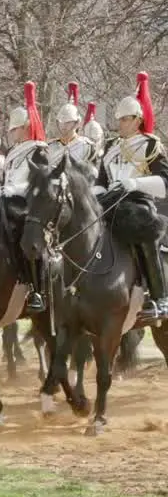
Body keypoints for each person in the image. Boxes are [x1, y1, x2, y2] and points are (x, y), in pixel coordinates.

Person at [95, 71, 168, 320]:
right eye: (118, 120)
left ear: (137, 120)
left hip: (138, 203)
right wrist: (94, 195)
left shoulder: (150, 144)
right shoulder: (110, 147)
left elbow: (164, 183)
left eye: (125, 119)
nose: (120, 124)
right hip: (109, 202)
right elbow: (100, 181)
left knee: (143, 233)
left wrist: (134, 183)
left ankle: (159, 298)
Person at [0, 82, 50, 313]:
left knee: (26, 234)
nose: (11, 133)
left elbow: (39, 182)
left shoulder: (38, 149)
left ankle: (36, 288)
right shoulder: (12, 152)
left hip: (28, 205)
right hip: (7, 200)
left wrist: (14, 189)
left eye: (15, 129)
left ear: (25, 127)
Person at [47, 82, 99, 174]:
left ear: (76, 123)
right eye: (61, 122)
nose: (63, 126)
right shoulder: (50, 147)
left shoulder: (87, 147)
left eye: (68, 122)